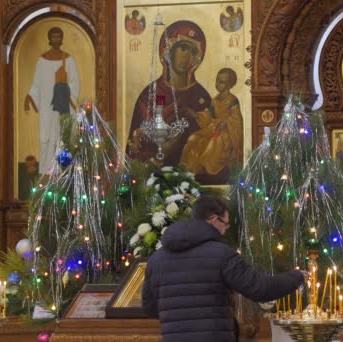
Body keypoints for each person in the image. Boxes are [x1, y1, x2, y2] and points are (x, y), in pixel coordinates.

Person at [143, 195, 306, 341]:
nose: (225, 230)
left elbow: (150, 308)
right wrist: (296, 276)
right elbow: (260, 288)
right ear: (214, 220)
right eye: (226, 225)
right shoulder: (221, 254)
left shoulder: (156, 259)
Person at [127, 20, 211, 167]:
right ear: (168, 51)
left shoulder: (201, 98)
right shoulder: (149, 95)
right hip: (152, 180)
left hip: (191, 180)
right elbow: (133, 152)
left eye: (193, 52)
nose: (188, 56)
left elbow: (208, 147)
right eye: (183, 48)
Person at [24, 27, 80, 174]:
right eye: (53, 37)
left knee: (62, 133)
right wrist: (30, 96)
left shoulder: (68, 59)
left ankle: (64, 171)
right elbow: (37, 83)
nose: (56, 39)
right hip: (46, 107)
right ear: (50, 39)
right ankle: (46, 172)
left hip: (63, 105)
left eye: (59, 37)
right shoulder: (42, 61)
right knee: (47, 136)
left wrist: (65, 94)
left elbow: (74, 82)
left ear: (62, 39)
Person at [180, 68, 243, 184]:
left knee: (214, 143)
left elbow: (237, 121)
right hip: (212, 129)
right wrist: (195, 115)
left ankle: (206, 171)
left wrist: (227, 122)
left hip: (226, 135)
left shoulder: (232, 101)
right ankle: (189, 171)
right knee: (193, 139)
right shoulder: (214, 100)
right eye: (217, 81)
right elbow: (208, 116)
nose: (218, 84)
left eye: (222, 82)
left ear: (229, 84)